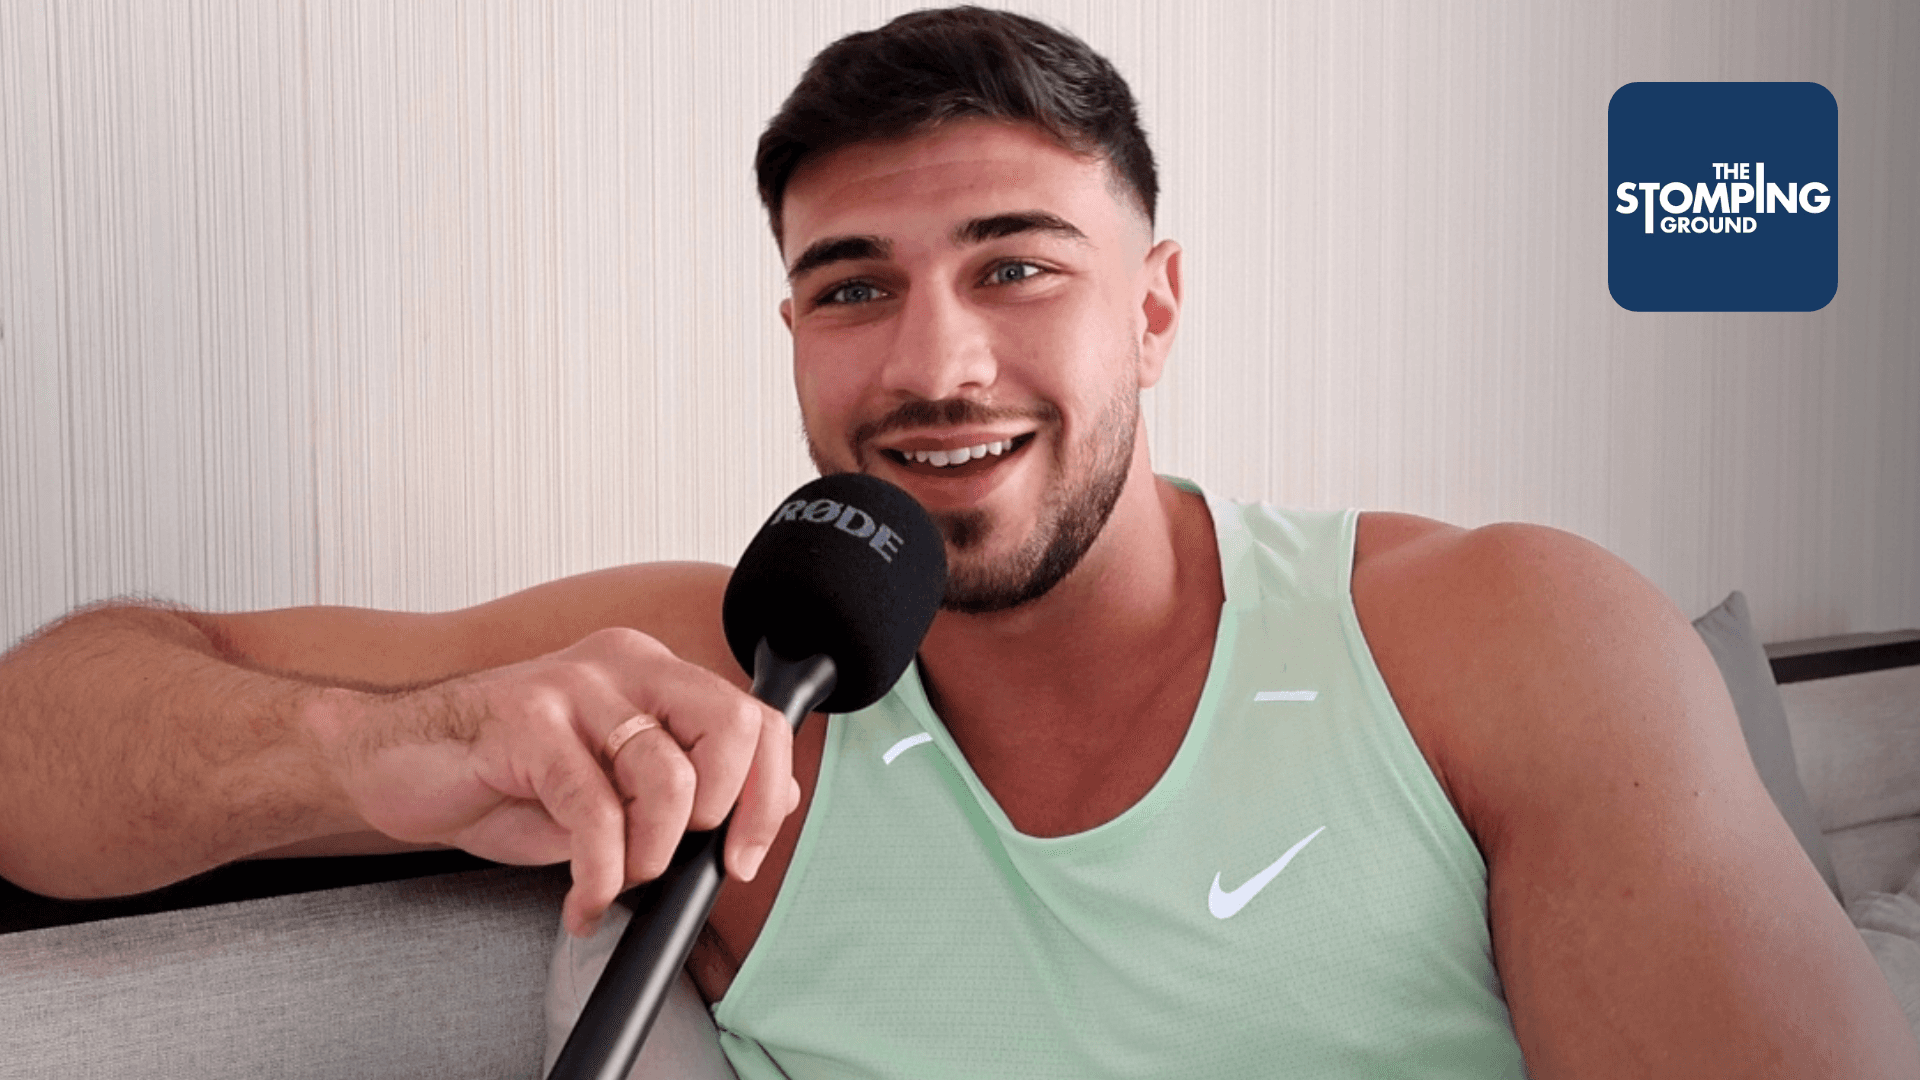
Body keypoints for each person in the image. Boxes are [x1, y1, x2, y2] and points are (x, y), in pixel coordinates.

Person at [1, 7, 1912, 1077]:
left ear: (1154, 310)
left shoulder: (1500, 635)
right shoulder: (715, 680)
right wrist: (371, 752)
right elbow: (39, 744)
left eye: (1016, 266)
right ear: (791, 330)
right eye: (852, 287)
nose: (932, 364)